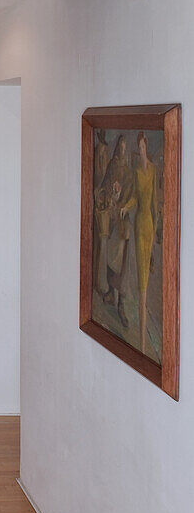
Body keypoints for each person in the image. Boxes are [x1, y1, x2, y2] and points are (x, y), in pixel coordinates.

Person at [122, 131, 158, 354]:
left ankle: (144, 341)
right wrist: (126, 206)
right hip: (138, 225)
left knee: (146, 273)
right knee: (141, 281)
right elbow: (135, 196)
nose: (141, 150)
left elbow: (154, 202)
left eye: (143, 147)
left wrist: (156, 228)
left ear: (146, 146)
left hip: (149, 225)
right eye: (139, 147)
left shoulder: (153, 170)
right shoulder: (136, 171)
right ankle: (143, 343)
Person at [96, 134, 134, 329]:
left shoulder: (128, 172)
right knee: (110, 259)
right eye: (120, 145)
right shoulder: (112, 165)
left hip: (120, 221)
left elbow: (129, 196)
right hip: (110, 217)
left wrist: (120, 199)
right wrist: (110, 193)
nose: (121, 149)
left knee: (120, 260)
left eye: (124, 147)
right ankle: (111, 292)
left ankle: (121, 304)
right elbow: (104, 185)